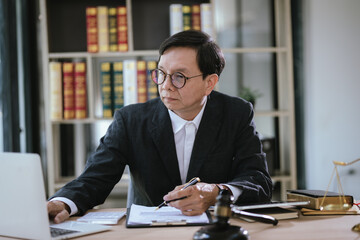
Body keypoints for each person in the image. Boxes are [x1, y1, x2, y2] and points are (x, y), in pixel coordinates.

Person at [47, 30, 272, 224]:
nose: (165, 86)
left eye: (179, 77)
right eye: (161, 74)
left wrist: (216, 192)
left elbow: (258, 181)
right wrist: (62, 203)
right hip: (146, 231)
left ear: (209, 83)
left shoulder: (236, 113)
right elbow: (95, 178)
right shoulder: (131, 120)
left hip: (214, 229)